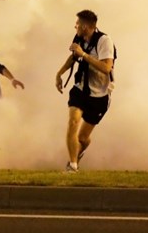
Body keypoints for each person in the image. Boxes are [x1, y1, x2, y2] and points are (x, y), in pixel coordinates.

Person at [55, 10, 115, 173]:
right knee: (73, 121)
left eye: (78, 24)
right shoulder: (79, 38)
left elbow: (106, 67)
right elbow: (74, 57)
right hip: (80, 89)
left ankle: (78, 154)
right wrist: (60, 73)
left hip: (99, 95)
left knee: (82, 138)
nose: (75, 26)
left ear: (86, 27)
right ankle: (73, 166)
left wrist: (85, 55)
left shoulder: (104, 41)